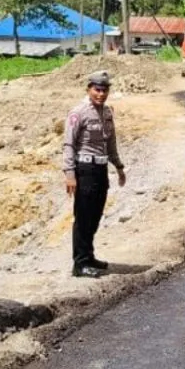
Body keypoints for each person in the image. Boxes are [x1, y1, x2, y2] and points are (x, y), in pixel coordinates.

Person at [62, 70, 128, 278]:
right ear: (89, 89)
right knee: (83, 217)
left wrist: (118, 166)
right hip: (85, 169)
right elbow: (69, 144)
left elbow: (110, 142)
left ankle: (89, 256)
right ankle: (79, 264)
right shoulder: (78, 113)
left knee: (95, 215)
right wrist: (70, 174)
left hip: (100, 169)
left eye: (104, 90)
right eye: (97, 89)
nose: (101, 94)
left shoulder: (107, 113)